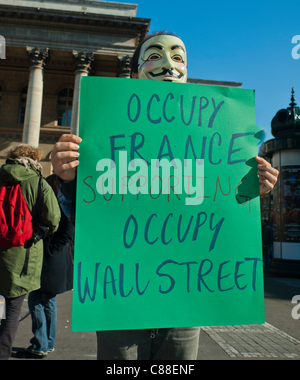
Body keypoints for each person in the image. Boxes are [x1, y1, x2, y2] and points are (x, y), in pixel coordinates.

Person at [51, 32, 279, 360]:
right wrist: (69, 179)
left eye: (179, 57)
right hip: (121, 303)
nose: (169, 64)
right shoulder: (103, 135)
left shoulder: (214, 138)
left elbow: (221, 219)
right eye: (155, 55)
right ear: (135, 72)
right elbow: (87, 218)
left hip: (184, 305)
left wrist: (252, 191)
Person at [0, 145, 61, 360]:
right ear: (34, 160)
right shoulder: (38, 183)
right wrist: (36, 234)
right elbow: (53, 219)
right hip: (23, 256)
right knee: (11, 312)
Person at [23, 174, 74, 358]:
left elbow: (67, 232)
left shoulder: (52, 205)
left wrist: (51, 248)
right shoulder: (62, 204)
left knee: (35, 299)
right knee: (49, 301)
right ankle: (48, 342)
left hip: (49, 260)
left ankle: (40, 344)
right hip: (56, 260)